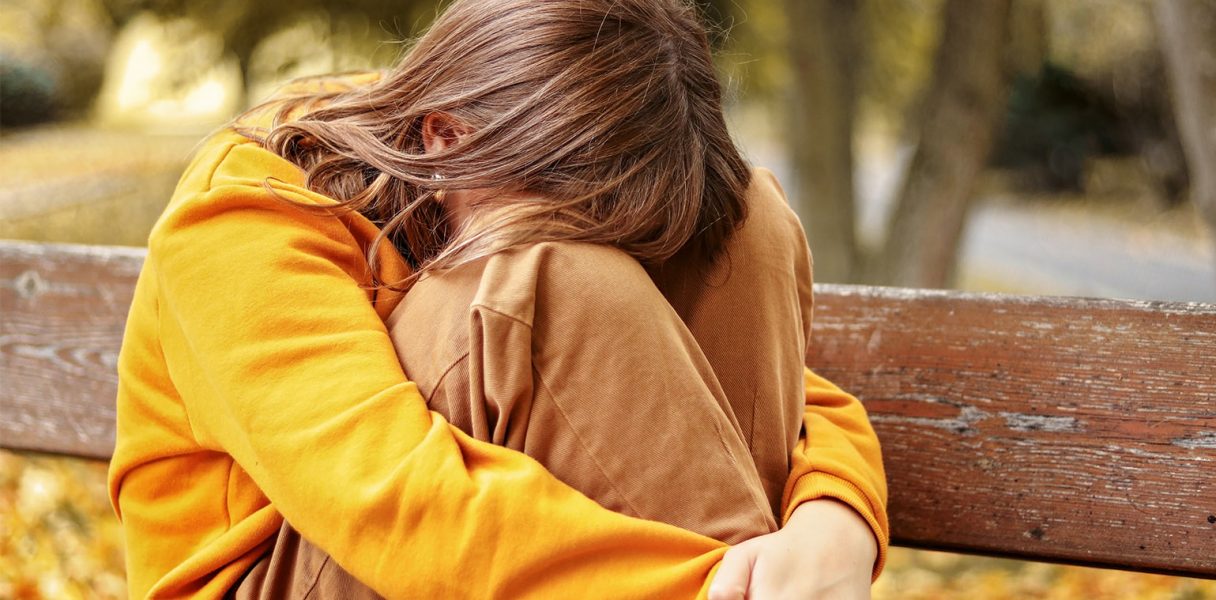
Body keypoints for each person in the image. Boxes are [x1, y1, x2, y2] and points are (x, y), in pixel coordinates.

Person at [107, 0, 889, 598]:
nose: (610, 258)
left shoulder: (499, 142)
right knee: (553, 280)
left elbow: (792, 398)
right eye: (580, 227)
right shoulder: (246, 214)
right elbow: (398, 500)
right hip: (288, 563)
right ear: (444, 137)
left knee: (744, 220)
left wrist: (836, 518)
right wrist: (713, 582)